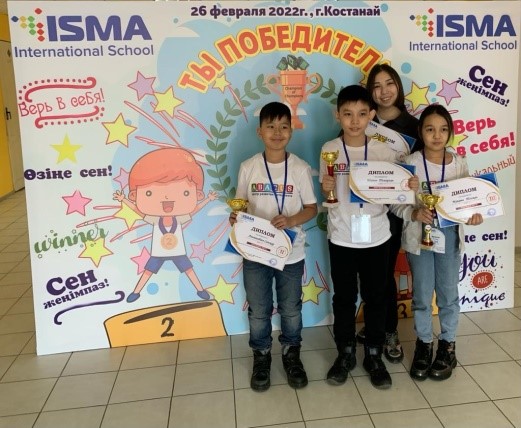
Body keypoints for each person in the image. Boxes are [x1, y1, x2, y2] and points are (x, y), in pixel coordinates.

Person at [320, 85, 418, 390]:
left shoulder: (383, 152)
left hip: (377, 237)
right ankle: (345, 352)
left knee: (376, 297)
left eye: (362, 114)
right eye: (347, 114)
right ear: (337, 115)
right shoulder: (329, 149)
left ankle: (374, 354)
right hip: (341, 237)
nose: (354, 121)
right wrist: (326, 189)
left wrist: (407, 188)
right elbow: (329, 195)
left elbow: (395, 196)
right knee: (344, 298)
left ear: (371, 115)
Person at [229, 101, 317, 392]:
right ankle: (262, 355)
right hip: (255, 252)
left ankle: (292, 354)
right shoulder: (249, 167)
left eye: (283, 126)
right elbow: (240, 206)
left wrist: (291, 220)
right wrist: (236, 217)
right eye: (271, 126)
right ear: (260, 132)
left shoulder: (300, 168)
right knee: (259, 309)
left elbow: (312, 208)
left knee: (291, 308)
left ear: (291, 131)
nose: (277, 132)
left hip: (291, 253)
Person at [391, 104, 483, 381]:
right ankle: (424, 344)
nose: (437, 135)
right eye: (430, 129)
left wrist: (473, 215)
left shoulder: (458, 162)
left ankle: (447, 345)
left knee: (448, 294)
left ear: (450, 133)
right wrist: (414, 213)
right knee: (421, 296)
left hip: (449, 237)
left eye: (443, 129)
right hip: (419, 238)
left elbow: (469, 201)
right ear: (421, 131)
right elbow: (395, 203)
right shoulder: (409, 162)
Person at [355, 64, 422, 364]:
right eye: (377, 85)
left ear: (398, 86)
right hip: (361, 211)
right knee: (367, 271)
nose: (384, 91)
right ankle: (375, 324)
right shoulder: (361, 120)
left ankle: (389, 331)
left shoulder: (413, 126)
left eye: (389, 83)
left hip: (395, 212)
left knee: (383, 273)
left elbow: (425, 167)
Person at [113, 148, 217, 303]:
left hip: (178, 251)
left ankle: (200, 290)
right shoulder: (155, 220)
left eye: (184, 192)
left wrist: (208, 200)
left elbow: (195, 209)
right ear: (135, 195)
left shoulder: (178, 219)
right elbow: (137, 210)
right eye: (149, 193)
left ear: (197, 194)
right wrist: (123, 200)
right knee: (147, 272)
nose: (167, 198)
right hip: (158, 252)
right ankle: (136, 292)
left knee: (189, 270)